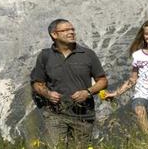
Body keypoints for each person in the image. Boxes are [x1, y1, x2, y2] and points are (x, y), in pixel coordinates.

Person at [30, 19, 108, 147]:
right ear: (54, 35)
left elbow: (103, 81)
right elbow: (37, 84)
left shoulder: (88, 54)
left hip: (83, 115)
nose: (71, 32)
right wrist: (48, 94)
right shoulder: (45, 56)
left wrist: (87, 92)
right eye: (66, 30)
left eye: (72, 29)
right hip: (55, 114)